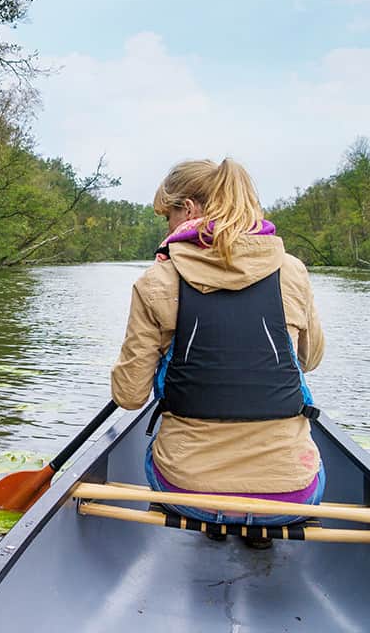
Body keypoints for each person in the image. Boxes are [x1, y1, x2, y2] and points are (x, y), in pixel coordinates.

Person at [110, 158, 325, 548]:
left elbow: (128, 396)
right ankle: (258, 530)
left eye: (168, 216)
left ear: (188, 210)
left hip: (185, 491)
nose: (167, 227)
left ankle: (214, 524)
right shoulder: (292, 270)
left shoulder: (157, 279)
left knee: (168, 452)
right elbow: (308, 361)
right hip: (291, 496)